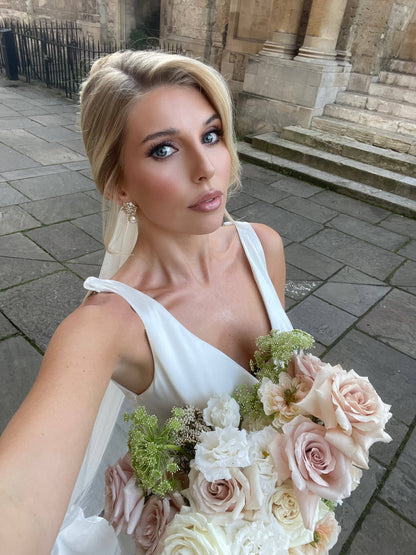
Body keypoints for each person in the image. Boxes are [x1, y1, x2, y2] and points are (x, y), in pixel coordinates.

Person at [0, 50, 292, 554]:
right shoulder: (105, 328)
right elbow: (19, 500)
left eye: (211, 135)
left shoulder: (264, 247)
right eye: (164, 149)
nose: (206, 168)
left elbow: (282, 386)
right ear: (118, 183)